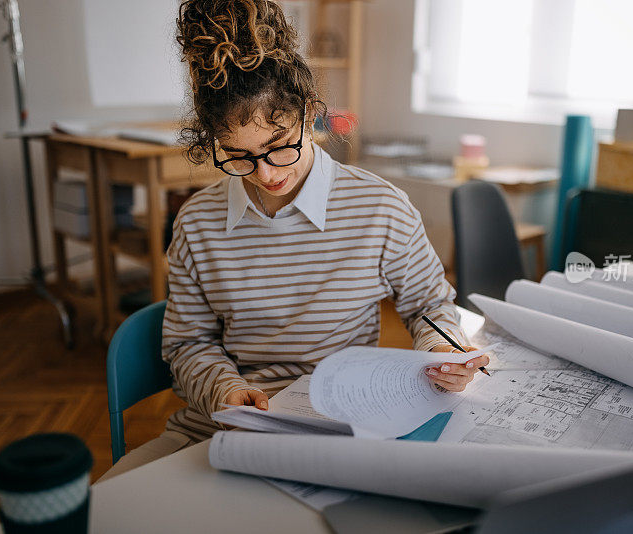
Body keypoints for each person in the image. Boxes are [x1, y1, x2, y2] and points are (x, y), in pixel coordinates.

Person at [101, 0, 488, 479]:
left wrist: (443, 352)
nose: (264, 174)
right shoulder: (197, 223)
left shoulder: (380, 207)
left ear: (309, 114)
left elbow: (429, 304)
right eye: (238, 155)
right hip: (226, 427)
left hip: (344, 422)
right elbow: (187, 344)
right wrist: (225, 392)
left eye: (278, 145)